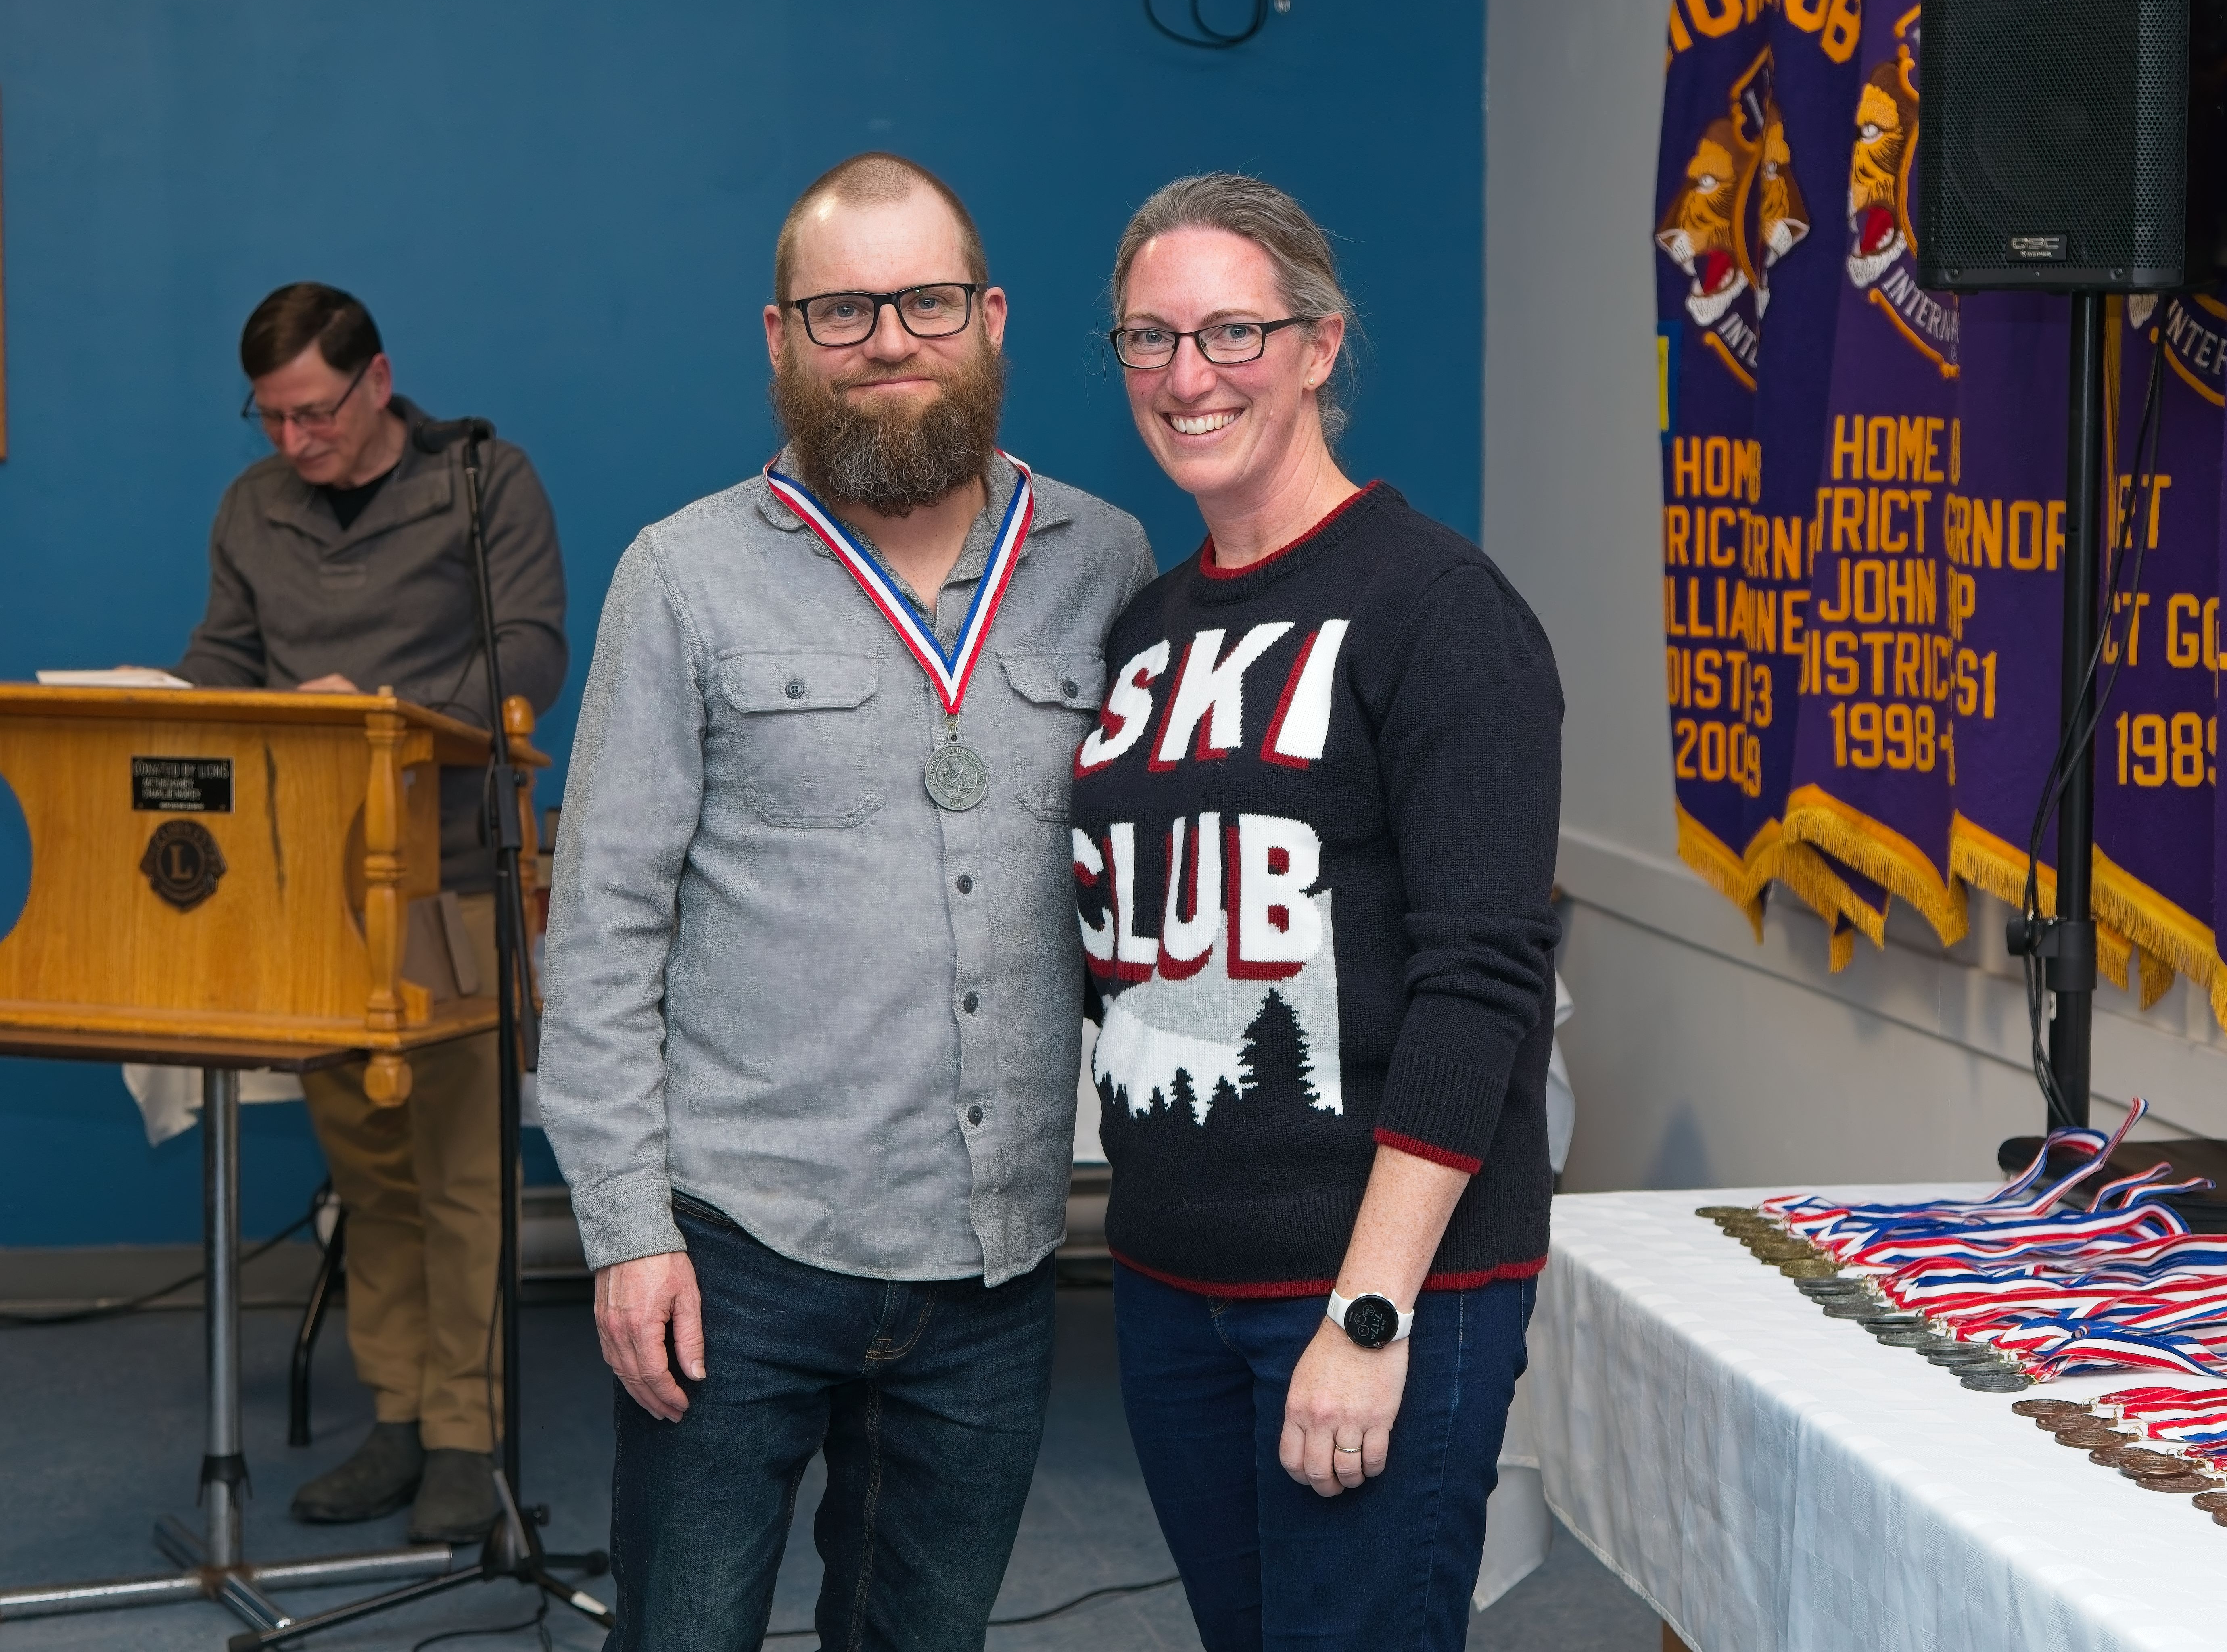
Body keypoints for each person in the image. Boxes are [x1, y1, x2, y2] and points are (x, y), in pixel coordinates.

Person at [536, 153, 1156, 1652]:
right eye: (843, 310)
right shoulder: (680, 577)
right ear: (781, 338)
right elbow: (603, 929)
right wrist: (624, 1232)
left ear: (990, 318)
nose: (889, 339)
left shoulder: (1107, 563)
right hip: (737, 1253)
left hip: (994, 1260)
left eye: (927, 301)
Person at [1067, 174, 1563, 1652]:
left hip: (1367, 1285)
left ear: (1319, 346)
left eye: (1234, 331)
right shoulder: (1144, 630)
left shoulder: (1439, 608)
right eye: (1151, 339)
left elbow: (1483, 980)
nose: (1189, 376)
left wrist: (1369, 1311)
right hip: (1172, 1282)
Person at [172, 282, 568, 1543]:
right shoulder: (253, 509)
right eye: (271, 417)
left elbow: (532, 650)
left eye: (316, 413)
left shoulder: (483, 481)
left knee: (460, 1175)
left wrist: (383, 715)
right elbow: (229, 656)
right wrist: (176, 704)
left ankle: (466, 1433)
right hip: (314, 888)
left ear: (379, 381)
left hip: (449, 868)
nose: (295, 440)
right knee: (371, 1174)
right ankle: (398, 1413)